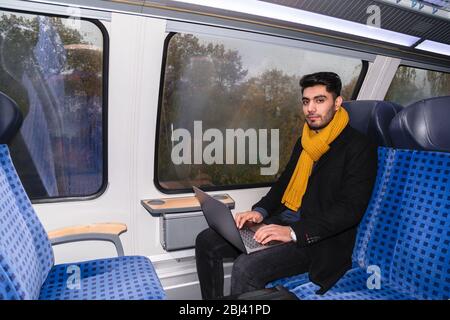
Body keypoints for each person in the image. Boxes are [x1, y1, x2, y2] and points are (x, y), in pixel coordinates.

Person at [195, 72, 378, 299]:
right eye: (306, 101)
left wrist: (292, 232)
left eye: (320, 100)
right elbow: (284, 184)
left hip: (316, 240)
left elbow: (350, 210)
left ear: (337, 103)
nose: (311, 108)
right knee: (206, 240)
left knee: (245, 267)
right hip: (282, 220)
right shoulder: (305, 140)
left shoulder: (359, 147)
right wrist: (259, 211)